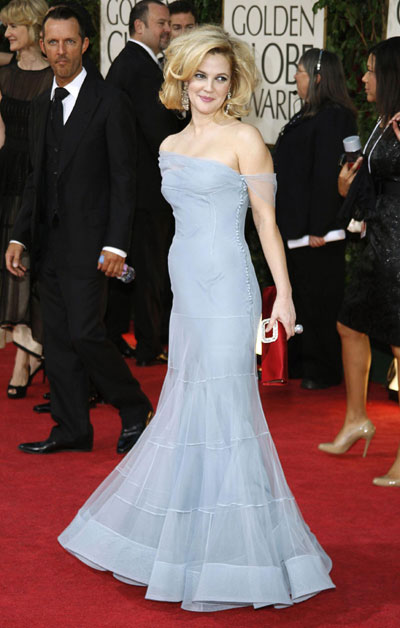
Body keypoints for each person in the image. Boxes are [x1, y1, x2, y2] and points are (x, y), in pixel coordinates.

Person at [58, 25, 334, 611]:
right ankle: (188, 540)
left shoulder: (246, 140)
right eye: (200, 75)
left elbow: (266, 223)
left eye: (221, 77)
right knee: (188, 403)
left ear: (233, 86)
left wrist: (282, 295)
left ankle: (239, 549)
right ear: (181, 79)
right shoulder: (169, 147)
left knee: (228, 408)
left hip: (228, 290)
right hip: (187, 288)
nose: (209, 86)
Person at [5, 5, 153, 455]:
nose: (61, 51)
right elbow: (37, 176)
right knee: (58, 339)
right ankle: (72, 427)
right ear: (43, 44)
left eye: (70, 41)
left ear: (85, 44)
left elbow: (125, 179)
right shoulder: (39, 101)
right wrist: (19, 235)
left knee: (86, 333)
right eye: (52, 42)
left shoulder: (109, 101)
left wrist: (115, 245)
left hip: (92, 246)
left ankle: (135, 408)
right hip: (49, 246)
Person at [318, 37, 400, 488]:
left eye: (371, 70)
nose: (364, 78)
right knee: (349, 324)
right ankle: (356, 420)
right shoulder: (381, 122)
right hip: (378, 237)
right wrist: (348, 187)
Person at [274, 48, 357, 390]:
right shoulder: (308, 115)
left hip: (316, 233)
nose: (295, 76)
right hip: (297, 229)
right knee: (302, 298)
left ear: (319, 78)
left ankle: (321, 368)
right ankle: (298, 361)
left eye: (301, 72)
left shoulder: (335, 116)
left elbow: (330, 175)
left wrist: (320, 228)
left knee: (319, 299)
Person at [106, 0, 182, 367]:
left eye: (168, 24)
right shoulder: (138, 67)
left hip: (137, 189)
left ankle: (141, 340)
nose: (167, 29)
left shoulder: (135, 64)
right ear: (139, 26)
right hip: (146, 190)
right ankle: (151, 345)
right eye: (161, 23)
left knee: (140, 268)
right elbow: (159, 133)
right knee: (151, 269)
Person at [0, 0, 52, 398]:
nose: (6, 34)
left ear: (34, 28)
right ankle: (25, 351)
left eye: (13, 26)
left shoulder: (56, 77)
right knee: (11, 269)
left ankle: (29, 354)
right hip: (7, 178)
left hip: (41, 180)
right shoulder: (3, 74)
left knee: (32, 270)